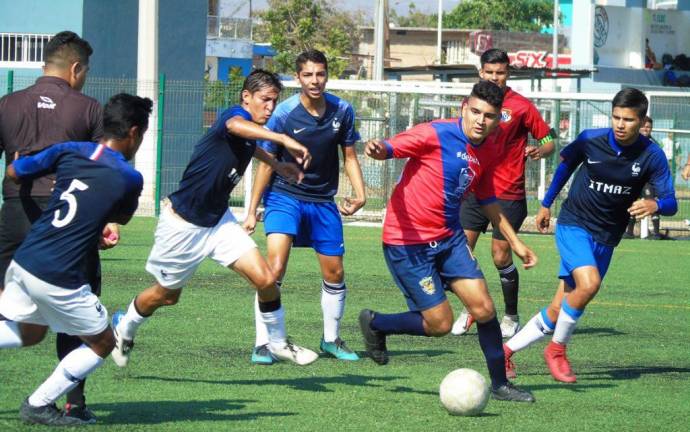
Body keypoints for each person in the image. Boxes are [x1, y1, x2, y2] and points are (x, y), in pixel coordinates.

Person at [111, 69, 319, 368]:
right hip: (183, 224)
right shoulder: (234, 116)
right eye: (265, 100)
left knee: (267, 279)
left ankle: (278, 343)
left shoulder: (251, 132)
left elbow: (250, 144)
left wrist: (276, 163)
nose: (271, 107)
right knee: (166, 296)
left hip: (218, 222)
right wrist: (283, 139)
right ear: (246, 97)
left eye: (275, 101)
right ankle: (125, 325)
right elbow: (237, 127)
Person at [358, 81, 537, 403]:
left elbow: (486, 197)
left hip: (448, 238)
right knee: (439, 324)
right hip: (407, 242)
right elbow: (390, 147)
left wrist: (516, 242)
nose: (481, 120)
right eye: (476, 112)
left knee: (484, 308)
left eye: (490, 116)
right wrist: (377, 149)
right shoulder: (434, 133)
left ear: (499, 120)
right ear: (464, 108)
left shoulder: (492, 146)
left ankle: (500, 384)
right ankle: (377, 323)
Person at [503, 88, 677, 383]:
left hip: (607, 236)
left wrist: (655, 204)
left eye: (628, 120)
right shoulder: (590, 139)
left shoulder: (652, 155)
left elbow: (671, 201)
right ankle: (556, 350)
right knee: (590, 283)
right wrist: (546, 204)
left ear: (642, 121)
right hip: (575, 224)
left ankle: (504, 351)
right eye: (616, 117)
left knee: (560, 308)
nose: (620, 125)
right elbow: (566, 166)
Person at [0, 93, 152, 426]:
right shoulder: (130, 177)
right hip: (59, 273)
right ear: (134, 133)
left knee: (31, 333)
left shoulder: (70, 149)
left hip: (25, 260)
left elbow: (14, 171)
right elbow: (119, 218)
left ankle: (41, 403)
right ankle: (38, 404)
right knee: (104, 342)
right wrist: (99, 228)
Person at [0, 30, 109, 423]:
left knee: (9, 311)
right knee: (78, 316)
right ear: (76, 68)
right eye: (86, 70)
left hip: (13, 215)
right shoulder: (88, 108)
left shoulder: (7, 104)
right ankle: (71, 404)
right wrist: (103, 223)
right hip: (66, 219)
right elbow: (97, 172)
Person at [243, 49, 366, 364]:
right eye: (308, 75)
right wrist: (252, 210)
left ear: (326, 75)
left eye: (320, 74)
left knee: (335, 272)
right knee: (274, 268)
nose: (315, 80)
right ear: (298, 78)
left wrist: (360, 193)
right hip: (284, 197)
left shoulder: (343, 110)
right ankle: (264, 343)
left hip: (323, 202)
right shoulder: (282, 113)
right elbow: (267, 164)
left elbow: (349, 157)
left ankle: (331, 339)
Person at [452, 48, 556, 338]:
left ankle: (510, 315)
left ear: (507, 73)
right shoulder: (470, 103)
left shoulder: (522, 106)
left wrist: (539, 150)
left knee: (500, 256)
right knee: (461, 253)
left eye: (500, 72)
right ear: (480, 72)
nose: (495, 77)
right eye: (489, 72)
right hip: (473, 189)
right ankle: (472, 307)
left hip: (508, 193)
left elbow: (549, 140)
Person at [624, 116, 667, 239]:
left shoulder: (654, 145)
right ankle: (629, 232)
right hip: (633, 180)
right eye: (643, 126)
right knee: (631, 204)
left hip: (647, 181)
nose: (645, 129)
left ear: (651, 129)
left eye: (648, 127)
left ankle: (656, 233)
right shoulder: (631, 142)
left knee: (651, 203)